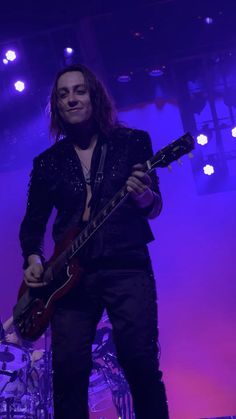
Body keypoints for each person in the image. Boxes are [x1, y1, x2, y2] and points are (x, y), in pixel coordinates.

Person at [19, 63, 169, 419]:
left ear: (94, 96)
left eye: (79, 90)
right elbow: (33, 223)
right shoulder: (48, 163)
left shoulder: (132, 143)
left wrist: (143, 196)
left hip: (125, 265)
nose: (71, 99)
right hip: (68, 278)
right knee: (69, 373)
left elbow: (154, 206)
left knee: (140, 362)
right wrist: (33, 258)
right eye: (63, 94)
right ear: (56, 105)